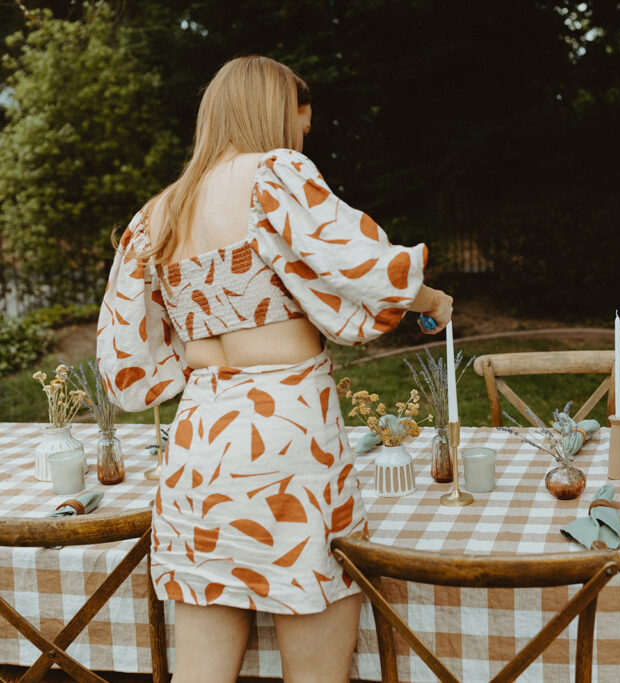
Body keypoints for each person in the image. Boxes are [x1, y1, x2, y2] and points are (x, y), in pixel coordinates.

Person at [96, 56, 453, 682]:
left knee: (200, 674)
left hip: (199, 444)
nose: (303, 136)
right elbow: (366, 267)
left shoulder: (156, 215)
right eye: (302, 121)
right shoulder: (275, 176)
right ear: (278, 112)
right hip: (288, 441)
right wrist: (429, 299)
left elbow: (124, 358)